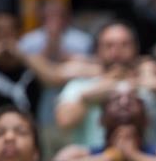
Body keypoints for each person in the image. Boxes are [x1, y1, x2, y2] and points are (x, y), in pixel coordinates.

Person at [55, 20, 141, 148]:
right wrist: (90, 96)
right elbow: (65, 121)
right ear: (97, 51)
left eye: (124, 44)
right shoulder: (79, 85)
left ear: (136, 49)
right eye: (109, 45)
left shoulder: (148, 82)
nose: (117, 51)